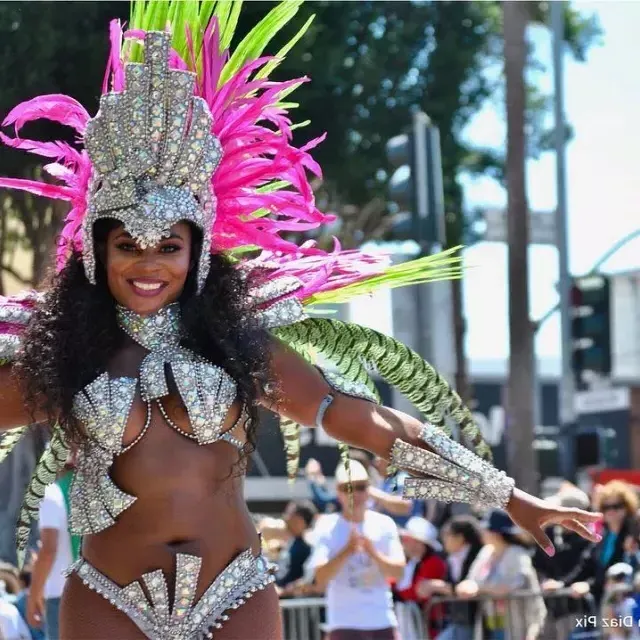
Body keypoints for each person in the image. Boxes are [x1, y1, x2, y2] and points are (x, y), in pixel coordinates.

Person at [0, 1, 600, 638]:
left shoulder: (240, 350)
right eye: (127, 245)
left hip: (233, 595)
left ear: (199, 252)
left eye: (169, 246)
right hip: (107, 600)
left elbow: (369, 423)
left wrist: (508, 495)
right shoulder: (63, 361)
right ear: (96, 251)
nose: (148, 264)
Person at [308, 460, 406, 639]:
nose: (355, 494)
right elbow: (320, 579)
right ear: (338, 492)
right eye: (348, 488)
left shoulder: (384, 524)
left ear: (369, 489)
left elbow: (399, 572)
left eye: (360, 487)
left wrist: (373, 552)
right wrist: (347, 550)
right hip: (343, 624)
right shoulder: (326, 525)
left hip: (382, 622)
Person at [456, 510, 547, 640]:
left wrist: (479, 588)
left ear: (497, 533)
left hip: (516, 624)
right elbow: (470, 580)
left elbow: (509, 587)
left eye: (486, 529)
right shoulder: (486, 553)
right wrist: (466, 587)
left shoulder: (517, 555)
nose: (482, 533)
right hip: (490, 624)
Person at [26, 472, 75, 640]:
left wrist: (33, 597)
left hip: (61, 596)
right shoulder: (90, 490)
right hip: (93, 591)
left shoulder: (51, 493)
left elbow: (48, 550)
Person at [393, 517, 447, 639]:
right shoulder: (409, 562)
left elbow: (418, 592)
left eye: (406, 539)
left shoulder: (433, 563)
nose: (403, 542)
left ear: (420, 543)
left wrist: (396, 595)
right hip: (408, 624)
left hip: (427, 627)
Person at [275, 500, 317, 595]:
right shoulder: (293, 541)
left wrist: (283, 592)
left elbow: (308, 579)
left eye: (289, 514)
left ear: (300, 520)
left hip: (297, 606)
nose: (285, 518)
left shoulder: (310, 545)